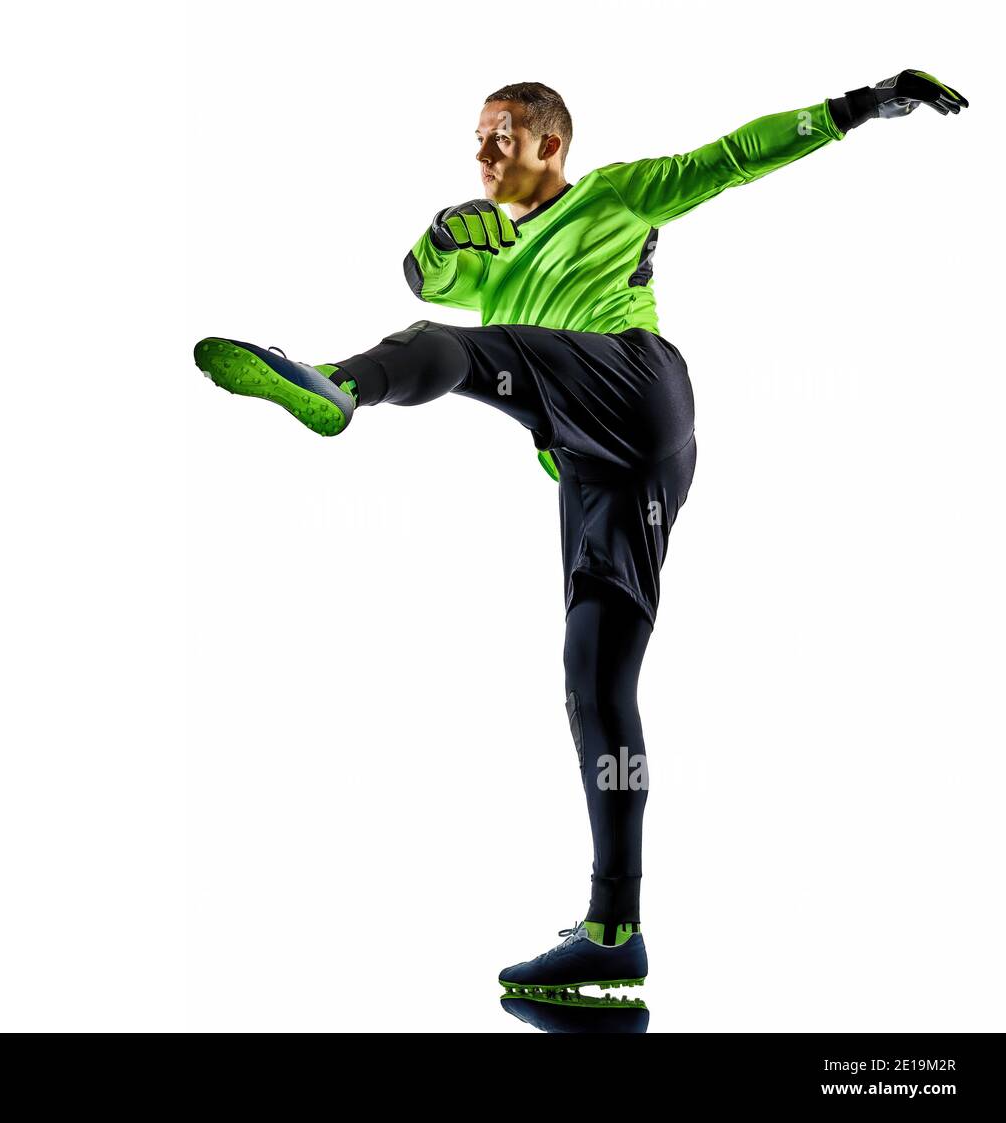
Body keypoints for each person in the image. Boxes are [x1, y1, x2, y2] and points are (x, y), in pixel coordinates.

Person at [191, 70, 968, 995]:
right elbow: (428, 270)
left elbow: (733, 159)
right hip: (608, 465)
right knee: (594, 681)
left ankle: (338, 383)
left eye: (500, 137)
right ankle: (614, 928)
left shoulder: (614, 194)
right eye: (475, 138)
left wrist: (857, 106)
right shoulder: (488, 254)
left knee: (452, 347)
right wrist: (441, 233)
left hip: (639, 386)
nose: (483, 154)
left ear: (549, 145)